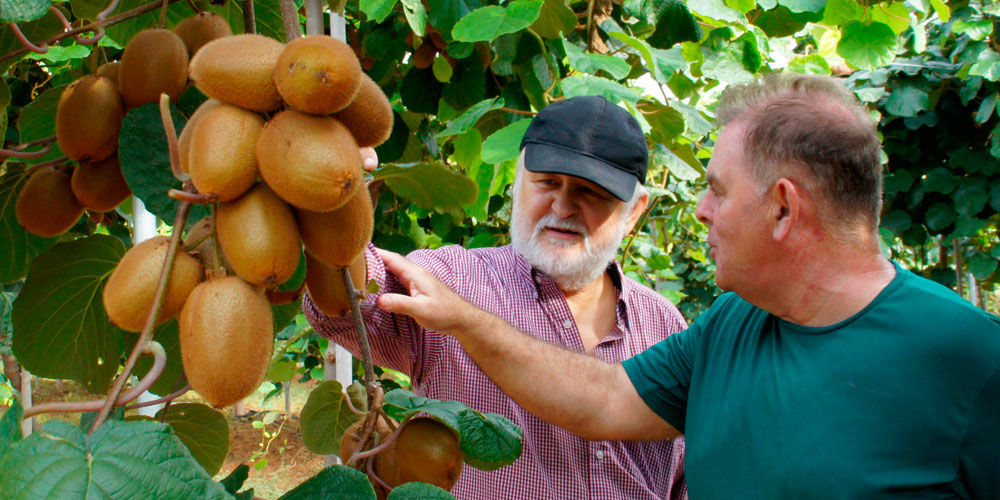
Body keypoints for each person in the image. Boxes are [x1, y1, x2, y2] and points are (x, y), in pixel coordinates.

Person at [373, 73, 1000, 499]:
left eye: (718, 190)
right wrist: (463, 317)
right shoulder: (732, 326)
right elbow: (605, 401)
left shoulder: (967, 358)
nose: (701, 210)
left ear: (783, 209)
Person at [304, 96, 689, 499]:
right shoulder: (455, 280)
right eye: (547, 182)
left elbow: (681, 475)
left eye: (591, 192)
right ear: (518, 181)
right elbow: (348, 302)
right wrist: (330, 191)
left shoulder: (663, 324)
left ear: (633, 212)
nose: (562, 206)